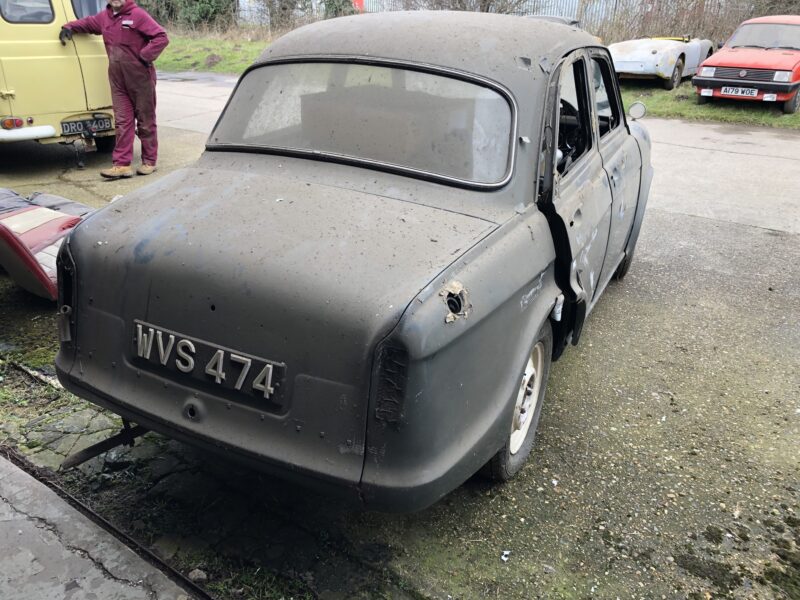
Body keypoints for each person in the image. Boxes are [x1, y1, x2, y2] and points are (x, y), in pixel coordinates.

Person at [60, 0, 169, 179]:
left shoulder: (138, 15)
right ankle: (122, 165)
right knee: (122, 121)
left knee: (145, 120)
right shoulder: (105, 17)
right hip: (117, 79)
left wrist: (144, 56)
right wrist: (69, 27)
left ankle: (149, 161)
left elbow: (161, 37)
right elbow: (87, 23)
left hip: (140, 77)